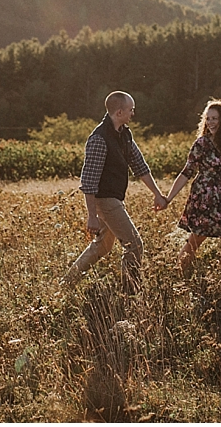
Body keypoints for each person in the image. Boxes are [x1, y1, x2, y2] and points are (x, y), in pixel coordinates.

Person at [60, 91, 167, 294]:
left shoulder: (124, 134)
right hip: (105, 200)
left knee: (102, 247)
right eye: (130, 110)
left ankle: (66, 284)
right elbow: (89, 181)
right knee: (134, 245)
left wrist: (157, 194)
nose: (133, 114)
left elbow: (139, 165)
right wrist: (92, 215)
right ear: (119, 112)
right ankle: (131, 293)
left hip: (114, 198)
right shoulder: (99, 139)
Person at [163, 99, 221, 275]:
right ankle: (179, 277)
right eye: (208, 118)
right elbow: (186, 172)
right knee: (208, 240)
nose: (211, 122)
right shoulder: (202, 144)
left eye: (215, 118)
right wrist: (169, 198)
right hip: (203, 198)